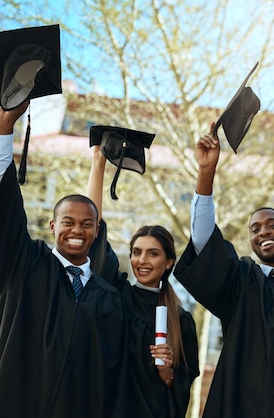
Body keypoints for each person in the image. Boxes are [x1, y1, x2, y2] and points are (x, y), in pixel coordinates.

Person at [173, 122, 274, 418]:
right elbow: (203, 241)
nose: (264, 232)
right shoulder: (240, 282)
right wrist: (206, 172)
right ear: (250, 241)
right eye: (255, 229)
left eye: (273, 225)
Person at [0, 103, 128, 417]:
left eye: (87, 224)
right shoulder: (26, 266)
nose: (77, 230)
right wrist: (5, 126)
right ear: (52, 226)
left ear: (97, 231)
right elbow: (1, 209)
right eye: (68, 222)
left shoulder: (109, 294)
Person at [86, 145, 200, 418]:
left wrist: (167, 371)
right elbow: (95, 233)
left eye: (153, 253)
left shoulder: (180, 320)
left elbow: (180, 388)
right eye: (136, 252)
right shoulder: (115, 293)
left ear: (169, 261)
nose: (142, 260)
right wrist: (99, 164)